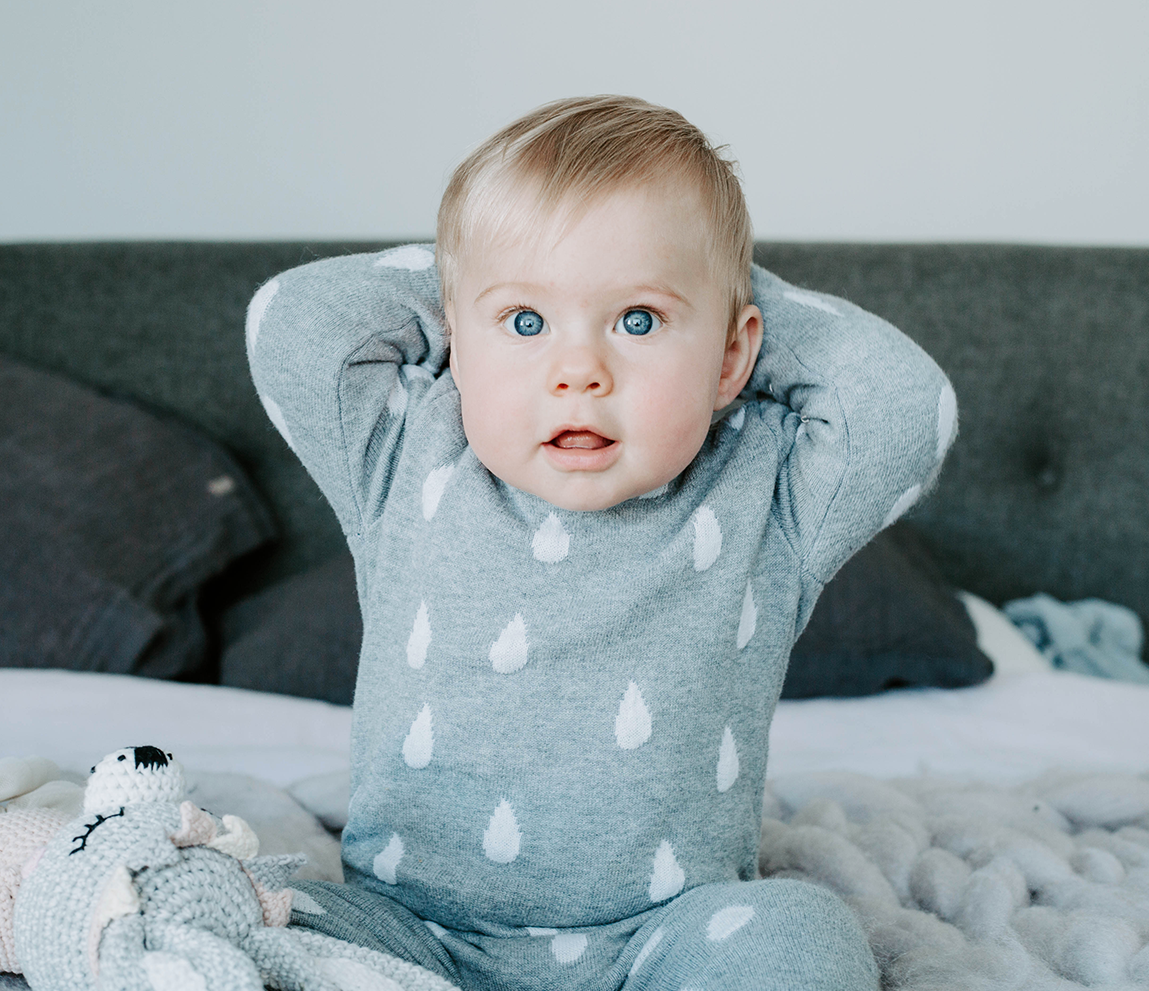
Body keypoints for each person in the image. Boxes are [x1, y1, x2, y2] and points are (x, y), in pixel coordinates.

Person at [246, 94, 955, 991]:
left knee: (799, 929)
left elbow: (906, 406)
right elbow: (291, 322)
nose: (579, 370)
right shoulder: (404, 449)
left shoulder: (765, 485)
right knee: (249, 919)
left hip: (667, 930)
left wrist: (719, 281)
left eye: (639, 320)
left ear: (736, 357)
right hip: (409, 927)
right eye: (527, 323)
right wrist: (483, 266)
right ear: (457, 338)